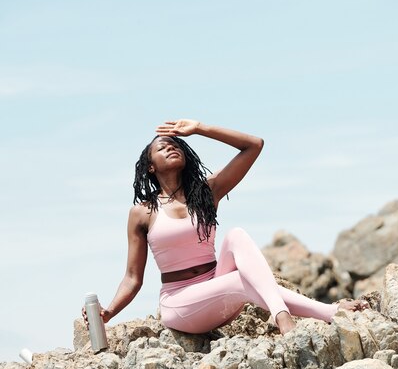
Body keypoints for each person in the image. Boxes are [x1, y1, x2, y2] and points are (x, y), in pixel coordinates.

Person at [84, 119, 368, 336]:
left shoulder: (207, 193)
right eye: (162, 147)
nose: (171, 146)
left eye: (175, 144)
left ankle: (291, 314)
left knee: (236, 236)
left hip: (218, 290)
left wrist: (199, 128)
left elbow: (254, 145)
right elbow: (133, 277)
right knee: (243, 280)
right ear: (149, 168)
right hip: (180, 304)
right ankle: (309, 314)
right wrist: (109, 311)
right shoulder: (142, 212)